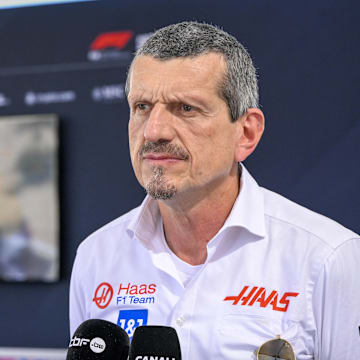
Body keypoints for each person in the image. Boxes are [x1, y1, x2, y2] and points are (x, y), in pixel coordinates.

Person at [69, 21, 360, 359]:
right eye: (142, 107)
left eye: (186, 108)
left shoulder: (326, 258)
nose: (154, 130)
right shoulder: (96, 256)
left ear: (246, 133)